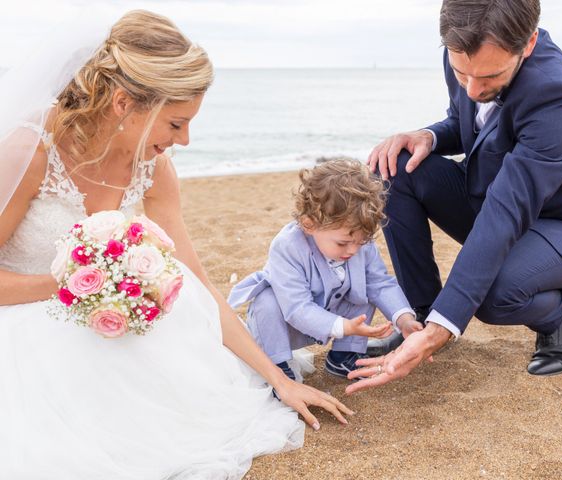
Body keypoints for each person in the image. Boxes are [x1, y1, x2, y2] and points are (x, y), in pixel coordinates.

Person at [0, 10, 352, 479]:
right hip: (23, 326)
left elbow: (201, 283)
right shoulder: (30, 149)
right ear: (124, 103)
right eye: (175, 124)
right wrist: (75, 287)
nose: (185, 140)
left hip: (108, 321)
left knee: (177, 288)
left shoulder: (153, 168)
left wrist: (276, 380)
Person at [348, 0, 562, 394]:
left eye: (490, 76)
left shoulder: (558, 95)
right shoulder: (464, 51)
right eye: (463, 75)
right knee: (392, 166)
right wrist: (430, 136)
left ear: (527, 44)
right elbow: (473, 127)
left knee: (492, 296)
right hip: (494, 194)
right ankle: (420, 322)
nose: (474, 89)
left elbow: (508, 208)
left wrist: (452, 322)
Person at [228, 159, 423, 380]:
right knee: (267, 300)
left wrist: (404, 319)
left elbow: (381, 283)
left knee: (365, 289)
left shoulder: (359, 242)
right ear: (309, 224)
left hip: (335, 312)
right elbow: (297, 308)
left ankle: (343, 357)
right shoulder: (287, 246)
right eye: (342, 243)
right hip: (285, 323)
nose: (353, 250)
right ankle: (277, 364)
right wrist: (344, 326)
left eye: (361, 242)